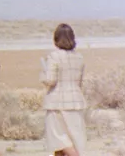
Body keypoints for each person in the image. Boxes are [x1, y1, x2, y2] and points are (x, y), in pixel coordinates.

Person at [40, 24, 87, 156]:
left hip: (57, 104)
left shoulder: (54, 56)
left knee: (59, 141)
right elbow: (80, 81)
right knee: (75, 139)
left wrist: (43, 74)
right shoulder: (79, 57)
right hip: (76, 101)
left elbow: (50, 80)